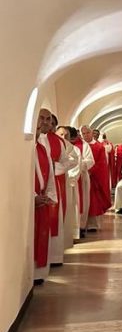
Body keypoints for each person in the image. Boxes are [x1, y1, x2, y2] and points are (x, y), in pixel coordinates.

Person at [38, 110, 77, 266]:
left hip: (53, 184)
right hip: (36, 185)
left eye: (49, 120)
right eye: (42, 119)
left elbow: (68, 161)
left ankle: (54, 257)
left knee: (54, 219)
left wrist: (55, 167)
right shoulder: (32, 138)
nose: (46, 123)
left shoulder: (58, 141)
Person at [33, 117, 57, 284]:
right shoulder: (24, 148)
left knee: (41, 236)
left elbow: (50, 174)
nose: (43, 123)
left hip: (41, 199)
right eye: (40, 119)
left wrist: (48, 194)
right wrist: (33, 196)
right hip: (29, 201)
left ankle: (37, 274)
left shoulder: (42, 148)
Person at [80, 125, 110, 231]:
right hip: (81, 175)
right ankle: (81, 224)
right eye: (83, 133)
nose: (86, 135)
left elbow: (102, 163)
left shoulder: (99, 147)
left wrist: (90, 171)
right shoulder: (80, 145)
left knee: (93, 201)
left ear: (92, 133)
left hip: (93, 177)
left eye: (87, 133)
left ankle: (92, 224)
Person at [70, 127, 95, 238]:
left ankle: (81, 227)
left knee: (82, 202)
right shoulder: (63, 145)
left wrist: (78, 163)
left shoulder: (84, 145)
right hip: (67, 178)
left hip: (81, 177)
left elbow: (90, 161)